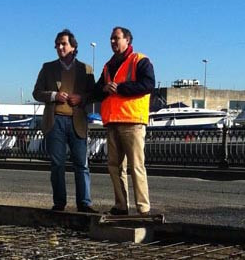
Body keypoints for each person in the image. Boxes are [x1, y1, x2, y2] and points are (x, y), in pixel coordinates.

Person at [32, 29, 97, 213]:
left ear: (73, 46)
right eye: (57, 44)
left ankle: (84, 203)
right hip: (55, 122)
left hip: (77, 122)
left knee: (81, 164)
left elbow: (93, 94)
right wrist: (53, 95)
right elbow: (36, 93)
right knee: (57, 164)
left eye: (64, 44)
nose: (60, 47)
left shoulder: (86, 69)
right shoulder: (48, 68)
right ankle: (59, 204)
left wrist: (81, 99)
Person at [96, 26, 155, 216]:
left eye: (116, 38)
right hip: (113, 122)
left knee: (136, 165)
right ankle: (121, 205)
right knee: (114, 166)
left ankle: (143, 208)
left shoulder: (140, 60)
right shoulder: (108, 66)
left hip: (132, 121)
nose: (113, 42)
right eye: (111, 39)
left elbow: (148, 85)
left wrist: (120, 88)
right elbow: (98, 90)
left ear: (127, 40)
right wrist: (104, 89)